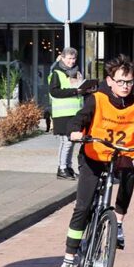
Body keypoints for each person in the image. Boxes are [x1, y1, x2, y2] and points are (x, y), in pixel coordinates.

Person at [54, 54, 134, 267]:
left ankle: (117, 222)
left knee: (129, 175)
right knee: (83, 206)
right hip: (94, 155)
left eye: (129, 82)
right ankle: (68, 261)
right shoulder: (97, 99)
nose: (125, 86)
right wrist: (76, 131)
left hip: (120, 155)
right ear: (110, 81)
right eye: (120, 82)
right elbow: (80, 118)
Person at [50, 47, 84, 180]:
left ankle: (68, 168)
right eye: (69, 58)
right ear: (62, 58)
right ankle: (62, 168)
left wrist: (86, 89)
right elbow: (54, 92)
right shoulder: (56, 73)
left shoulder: (77, 73)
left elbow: (79, 89)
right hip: (62, 114)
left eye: (74, 58)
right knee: (66, 142)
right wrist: (75, 91)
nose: (71, 61)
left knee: (72, 141)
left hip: (75, 113)